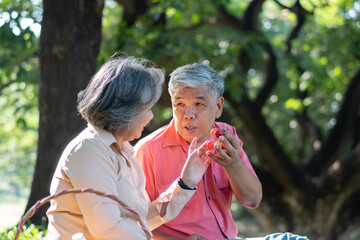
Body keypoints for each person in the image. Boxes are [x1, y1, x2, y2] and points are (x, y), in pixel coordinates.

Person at [45, 55, 212, 240]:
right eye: (147, 109)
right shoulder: (89, 149)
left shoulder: (122, 149)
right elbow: (109, 229)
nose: (150, 117)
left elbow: (141, 220)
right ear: (127, 110)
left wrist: (186, 183)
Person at [134, 63, 263, 240]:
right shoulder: (147, 150)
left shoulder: (225, 136)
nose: (189, 114)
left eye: (198, 103)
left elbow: (252, 200)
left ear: (218, 106)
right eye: (180, 104)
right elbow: (134, 224)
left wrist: (233, 164)